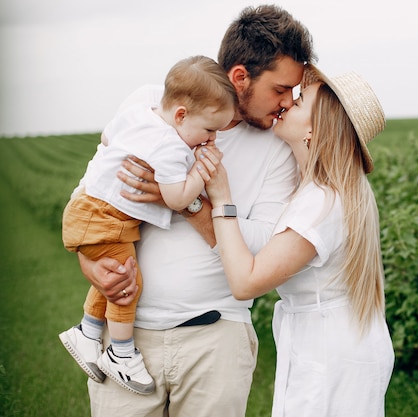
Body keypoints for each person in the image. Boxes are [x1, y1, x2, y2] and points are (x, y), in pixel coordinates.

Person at [72, 5, 316, 417]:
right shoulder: (152, 104)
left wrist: (188, 203)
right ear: (240, 78)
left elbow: (260, 251)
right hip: (127, 336)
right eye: (279, 89)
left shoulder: (279, 150)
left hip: (217, 339)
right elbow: (93, 192)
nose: (286, 102)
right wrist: (88, 263)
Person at [196, 64, 395, 417]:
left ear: (314, 130)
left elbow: (246, 282)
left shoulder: (320, 201)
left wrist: (220, 198)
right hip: (331, 341)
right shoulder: (322, 190)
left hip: (329, 352)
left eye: (301, 102)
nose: (288, 102)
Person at [58, 55, 236, 395]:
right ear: (181, 115)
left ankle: (88, 330)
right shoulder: (169, 146)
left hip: (89, 208)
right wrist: (201, 171)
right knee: (128, 281)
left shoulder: (140, 114)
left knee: (114, 273)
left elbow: (107, 137)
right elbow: (177, 199)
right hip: (103, 218)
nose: (211, 139)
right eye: (210, 130)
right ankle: (121, 354)